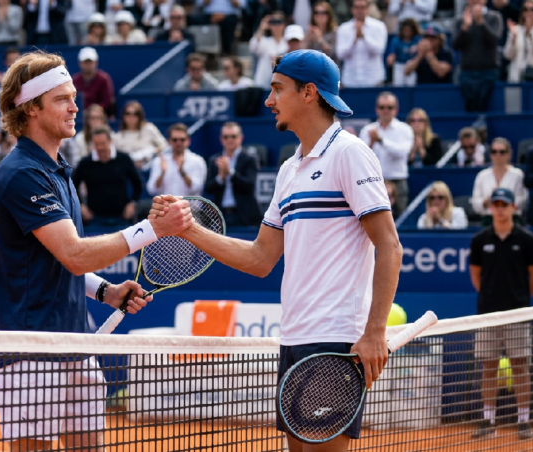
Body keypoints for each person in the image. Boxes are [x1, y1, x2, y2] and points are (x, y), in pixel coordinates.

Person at [150, 50, 402, 452]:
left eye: (276, 89)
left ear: (308, 93)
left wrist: (374, 332)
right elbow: (260, 258)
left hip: (336, 340)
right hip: (295, 338)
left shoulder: (350, 153)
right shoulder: (290, 170)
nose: (268, 100)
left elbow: (389, 245)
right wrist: (189, 230)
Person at [0, 50, 191, 451]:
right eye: (62, 98)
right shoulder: (22, 174)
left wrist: (106, 292)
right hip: (31, 352)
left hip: (76, 346)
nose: (75, 106)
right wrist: (153, 228)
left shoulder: (57, 169)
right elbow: (75, 255)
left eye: (73, 96)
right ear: (31, 107)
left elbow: (60, 263)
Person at [469, 188, 533, 441]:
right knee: (488, 368)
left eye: (504, 204)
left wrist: (518, 300)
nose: (500, 208)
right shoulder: (479, 240)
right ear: (491, 208)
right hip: (487, 315)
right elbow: (476, 276)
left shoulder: (527, 239)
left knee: (520, 366)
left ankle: (524, 421)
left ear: (513, 208)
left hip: (517, 313)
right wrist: (491, 299)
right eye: (496, 204)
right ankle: (488, 421)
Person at [73, 127, 143, 227]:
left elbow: (138, 183)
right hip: (94, 219)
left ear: (110, 141)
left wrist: (133, 203)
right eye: (96, 144)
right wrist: (80, 205)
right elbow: (72, 184)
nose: (100, 147)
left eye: (103, 143)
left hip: (122, 218)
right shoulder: (85, 163)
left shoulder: (124, 159)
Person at [359, 92, 414, 211]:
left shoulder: (405, 129)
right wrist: (372, 143)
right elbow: (361, 159)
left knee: (400, 220)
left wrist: (381, 140)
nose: (386, 110)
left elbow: (402, 153)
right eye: (382, 107)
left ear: (396, 110)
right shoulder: (367, 130)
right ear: (376, 109)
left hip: (397, 182)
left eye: (389, 107)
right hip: (374, 182)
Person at [204, 122, 262, 227]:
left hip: (244, 215)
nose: (229, 140)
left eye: (233, 136)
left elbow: (249, 185)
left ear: (241, 138)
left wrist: (230, 172)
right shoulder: (214, 160)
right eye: (226, 137)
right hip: (221, 214)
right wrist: (220, 178)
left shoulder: (250, 158)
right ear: (221, 139)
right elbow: (208, 188)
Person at [452, 0, 503, 112]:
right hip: (467, 72)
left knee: (488, 106)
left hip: (488, 71)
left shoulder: (495, 17)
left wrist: (481, 23)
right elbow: (455, 45)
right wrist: (465, 28)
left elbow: (493, 41)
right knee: (470, 107)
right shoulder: (460, 20)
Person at [471, 137, 527, 221]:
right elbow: (475, 203)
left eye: (502, 152)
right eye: (494, 152)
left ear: (509, 154)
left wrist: (503, 201)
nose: (498, 155)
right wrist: (487, 201)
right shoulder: (482, 175)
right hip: (488, 219)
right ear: (490, 154)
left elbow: (523, 200)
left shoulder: (518, 174)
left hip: (512, 219)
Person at [146, 123, 207, 197]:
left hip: (190, 207)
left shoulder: (197, 161)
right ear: (169, 141)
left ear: (188, 141)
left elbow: (196, 189)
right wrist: (162, 173)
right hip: (167, 207)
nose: (178, 143)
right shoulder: (159, 161)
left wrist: (182, 173)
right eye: (175, 140)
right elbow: (151, 190)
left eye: (182, 140)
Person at [336, 0, 387, 87]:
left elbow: (379, 50)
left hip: (374, 80)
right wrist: (354, 40)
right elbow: (340, 54)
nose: (359, 11)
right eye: (356, 7)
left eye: (362, 7)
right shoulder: (343, 28)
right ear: (352, 9)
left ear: (368, 9)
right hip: (350, 81)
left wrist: (364, 37)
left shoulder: (379, 26)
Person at [503, 0, 533, 83]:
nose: (529, 12)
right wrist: (514, 38)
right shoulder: (516, 29)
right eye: (525, 9)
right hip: (516, 77)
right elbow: (507, 55)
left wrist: (530, 33)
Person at [112, 101, 167, 167]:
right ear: (123, 116)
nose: (131, 117)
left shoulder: (149, 129)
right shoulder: (118, 136)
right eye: (128, 113)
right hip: (127, 169)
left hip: (149, 166)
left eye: (135, 114)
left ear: (140, 116)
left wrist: (152, 151)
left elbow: (164, 146)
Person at [71, 47, 116, 118]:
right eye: (85, 62)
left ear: (96, 62)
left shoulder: (104, 79)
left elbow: (107, 102)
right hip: (78, 116)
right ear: (80, 63)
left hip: (100, 117)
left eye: (90, 62)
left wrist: (93, 112)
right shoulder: (75, 80)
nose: (88, 65)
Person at [250, 12, 289, 88]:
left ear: (284, 25)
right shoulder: (264, 41)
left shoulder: (289, 42)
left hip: (282, 86)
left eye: (279, 22)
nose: (276, 25)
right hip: (262, 85)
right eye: (273, 22)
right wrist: (261, 28)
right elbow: (253, 47)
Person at [386, 19, 421, 86]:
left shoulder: (417, 40)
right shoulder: (396, 40)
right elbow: (391, 55)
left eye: (409, 30)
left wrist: (417, 47)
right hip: (399, 66)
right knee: (398, 85)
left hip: (413, 67)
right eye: (405, 30)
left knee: (411, 84)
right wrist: (391, 58)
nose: (407, 32)